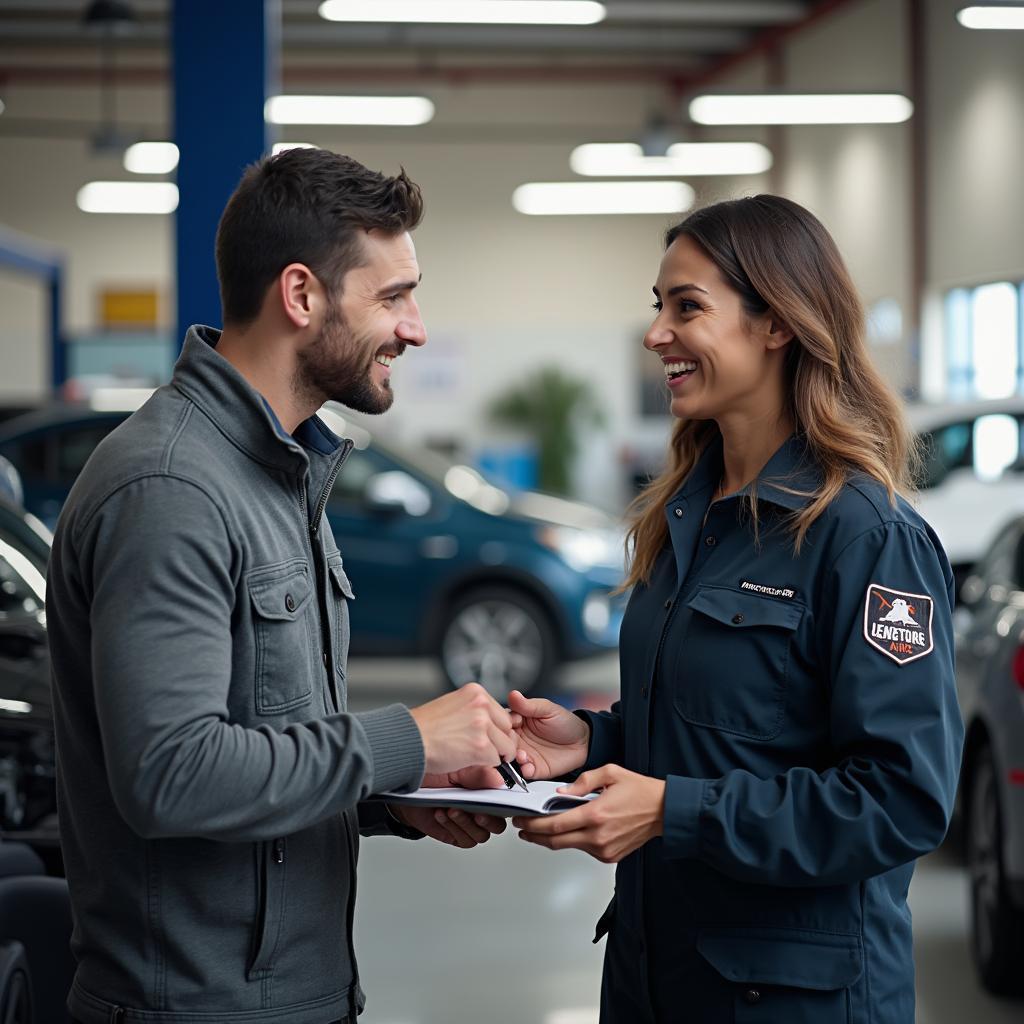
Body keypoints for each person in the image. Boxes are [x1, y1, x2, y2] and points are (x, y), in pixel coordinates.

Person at [46, 149, 514, 1024]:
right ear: (301, 296)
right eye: (393, 296)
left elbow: (266, 744)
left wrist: (397, 798)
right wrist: (404, 739)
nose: (414, 328)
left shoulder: (278, 472)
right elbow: (170, 775)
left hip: (290, 997)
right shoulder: (173, 489)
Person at [507, 195, 964, 1023]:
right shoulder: (686, 514)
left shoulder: (866, 539)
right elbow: (722, 730)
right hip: (659, 977)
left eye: (688, 307)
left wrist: (673, 812)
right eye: (658, 308)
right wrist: (592, 741)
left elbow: (901, 799)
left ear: (777, 323)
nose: (656, 335)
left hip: (794, 1000)